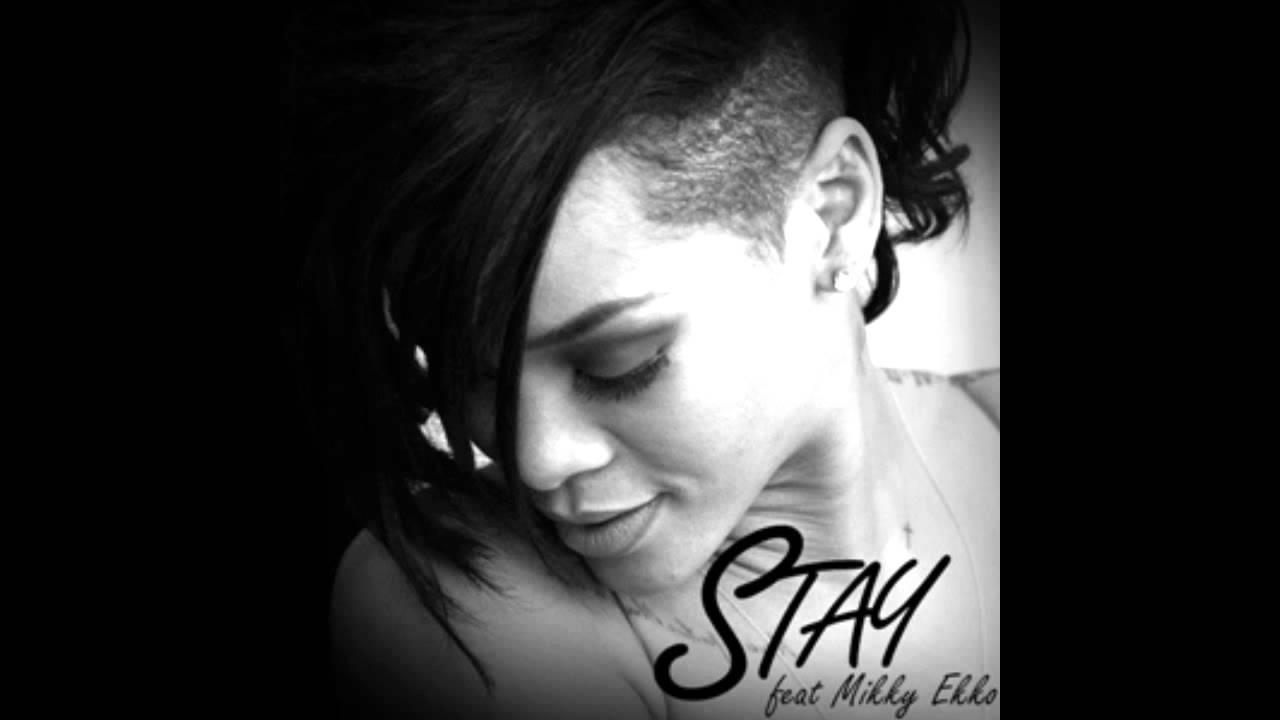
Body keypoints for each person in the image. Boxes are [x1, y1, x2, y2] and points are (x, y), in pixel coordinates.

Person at [281, 1, 999, 717]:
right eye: (470, 374)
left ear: (834, 215)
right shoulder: (462, 617)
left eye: (618, 363)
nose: (538, 459)